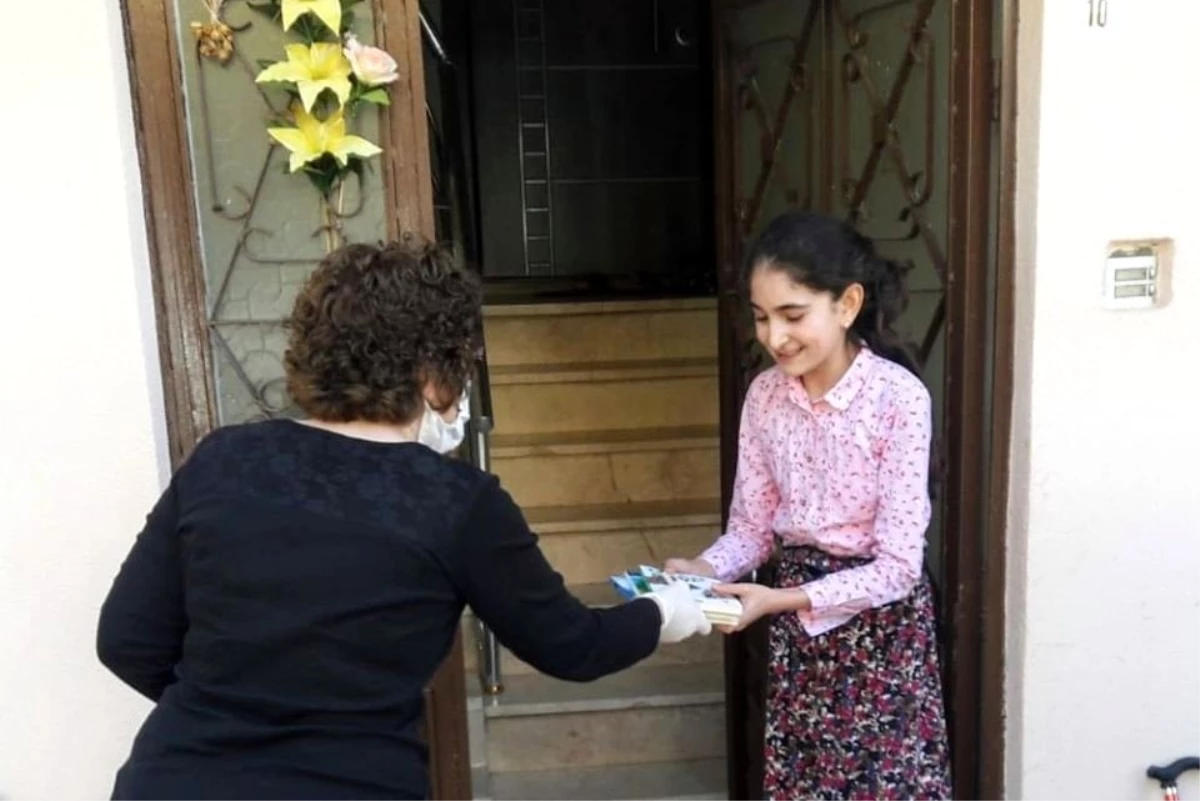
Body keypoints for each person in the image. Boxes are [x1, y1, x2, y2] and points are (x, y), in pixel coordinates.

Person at [97, 237, 711, 801]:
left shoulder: (222, 459)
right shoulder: (456, 501)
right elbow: (573, 647)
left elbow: (126, 641)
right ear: (429, 370)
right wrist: (665, 613)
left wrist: (231, 718)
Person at [665, 212, 951, 799]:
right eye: (762, 317)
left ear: (847, 304)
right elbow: (752, 528)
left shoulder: (898, 399)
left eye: (793, 316)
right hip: (800, 639)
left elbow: (899, 567)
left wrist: (783, 599)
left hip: (882, 642)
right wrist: (707, 569)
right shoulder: (765, 395)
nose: (774, 337)